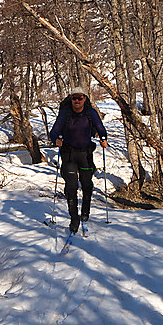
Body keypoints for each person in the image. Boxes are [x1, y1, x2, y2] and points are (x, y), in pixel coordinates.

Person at [50, 87, 109, 234]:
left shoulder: (90, 112)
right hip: (69, 154)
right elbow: (54, 131)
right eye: (74, 98)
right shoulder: (65, 113)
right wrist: (55, 139)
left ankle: (85, 213)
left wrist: (103, 139)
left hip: (85, 154)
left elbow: (100, 128)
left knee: (87, 184)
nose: (77, 101)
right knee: (71, 186)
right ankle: (74, 218)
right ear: (71, 99)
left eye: (80, 98)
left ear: (84, 99)